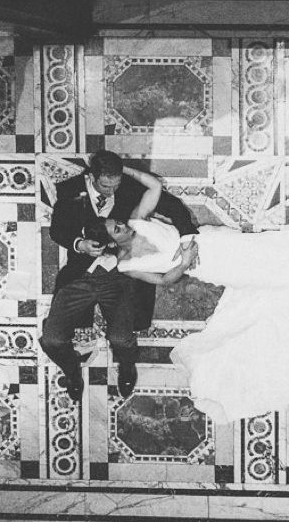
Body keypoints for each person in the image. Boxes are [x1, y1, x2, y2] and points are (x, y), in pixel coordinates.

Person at [103, 215, 289, 422]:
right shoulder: (128, 265)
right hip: (210, 266)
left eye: (118, 223)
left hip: (213, 242)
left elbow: (161, 201)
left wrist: (189, 239)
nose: (122, 227)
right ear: (110, 242)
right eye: (116, 230)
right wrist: (186, 261)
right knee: (276, 276)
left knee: (276, 253)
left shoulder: (137, 222)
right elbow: (165, 279)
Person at [42, 152, 198, 401]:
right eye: (106, 185)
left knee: (122, 338)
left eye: (116, 185)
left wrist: (188, 235)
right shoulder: (70, 191)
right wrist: (79, 244)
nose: (112, 190)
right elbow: (58, 230)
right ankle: (71, 370)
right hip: (80, 276)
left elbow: (170, 204)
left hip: (121, 275)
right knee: (51, 339)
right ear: (91, 176)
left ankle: (126, 365)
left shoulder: (125, 187)